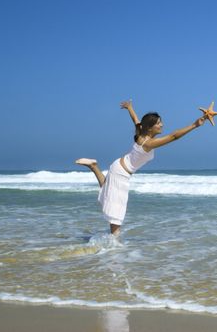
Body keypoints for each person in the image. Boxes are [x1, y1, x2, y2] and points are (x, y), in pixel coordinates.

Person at [76, 100, 207, 236]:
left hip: (118, 168)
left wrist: (130, 108)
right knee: (116, 210)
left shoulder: (141, 135)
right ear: (150, 128)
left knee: (108, 194)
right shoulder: (148, 143)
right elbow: (174, 136)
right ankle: (114, 244)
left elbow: (136, 120)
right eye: (158, 123)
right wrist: (194, 125)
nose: (162, 125)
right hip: (121, 173)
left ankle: (93, 166)